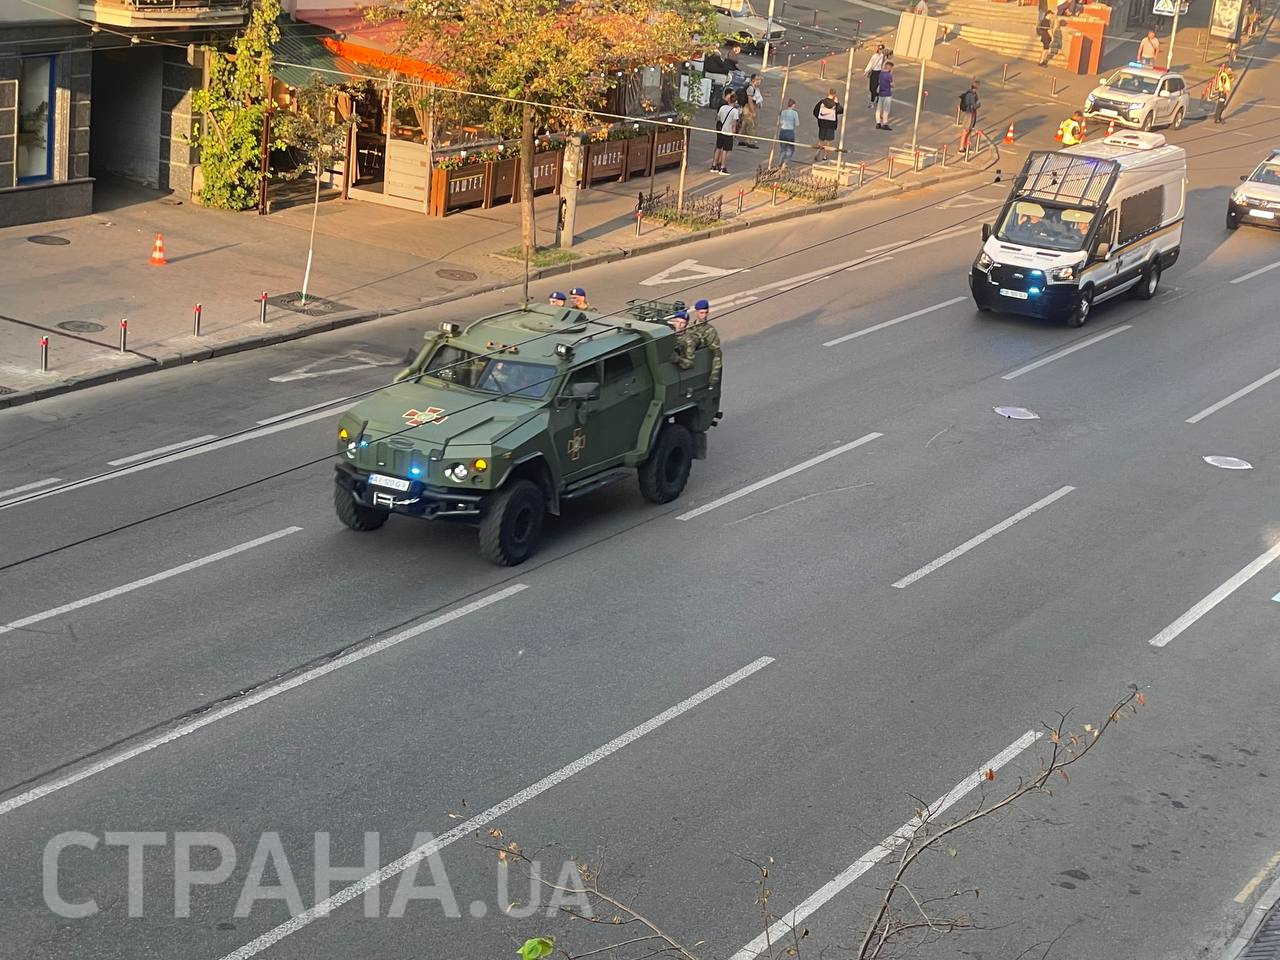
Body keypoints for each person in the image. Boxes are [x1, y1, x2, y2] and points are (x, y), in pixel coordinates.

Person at [689, 300, 722, 387]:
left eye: (706, 313)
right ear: (696, 312)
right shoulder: (689, 327)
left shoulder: (710, 331)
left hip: (701, 366)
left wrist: (715, 374)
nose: (704, 315)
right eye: (701, 313)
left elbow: (717, 353)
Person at [712, 91, 740, 175]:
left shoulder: (723, 108)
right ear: (735, 102)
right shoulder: (735, 111)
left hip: (721, 130)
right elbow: (734, 124)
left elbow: (718, 118)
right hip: (728, 132)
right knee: (725, 150)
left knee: (718, 147)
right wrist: (734, 134)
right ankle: (722, 167)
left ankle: (714, 165)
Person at [813, 89, 842, 161]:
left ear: (828, 93)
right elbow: (841, 111)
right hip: (831, 125)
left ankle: (818, 150)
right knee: (828, 142)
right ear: (834, 94)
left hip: (822, 124)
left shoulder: (822, 102)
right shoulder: (835, 104)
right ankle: (825, 156)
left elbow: (815, 111)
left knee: (821, 139)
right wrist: (837, 103)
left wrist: (820, 118)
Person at [738, 75, 764, 148]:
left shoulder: (755, 88)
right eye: (757, 79)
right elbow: (750, 100)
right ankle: (751, 142)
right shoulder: (750, 88)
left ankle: (742, 140)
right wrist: (753, 111)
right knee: (752, 125)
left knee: (745, 124)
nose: (759, 81)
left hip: (751, 107)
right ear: (753, 80)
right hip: (749, 107)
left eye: (760, 79)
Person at [777, 98, 799, 166]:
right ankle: (785, 162)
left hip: (782, 131)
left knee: (783, 148)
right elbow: (797, 124)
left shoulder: (783, 112)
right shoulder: (795, 113)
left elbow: (780, 122)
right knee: (790, 149)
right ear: (793, 105)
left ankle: (779, 162)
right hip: (789, 132)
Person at [959, 80, 980, 148]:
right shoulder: (972, 95)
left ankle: (965, 146)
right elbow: (974, 105)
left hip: (969, 113)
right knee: (966, 130)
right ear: (977, 87)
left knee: (969, 131)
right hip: (969, 114)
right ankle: (961, 147)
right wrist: (978, 105)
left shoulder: (970, 93)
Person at [875, 62, 894, 130]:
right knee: (886, 110)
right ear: (890, 68)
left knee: (879, 109)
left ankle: (878, 123)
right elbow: (892, 85)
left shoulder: (881, 74)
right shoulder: (889, 75)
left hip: (881, 93)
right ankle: (885, 124)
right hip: (887, 94)